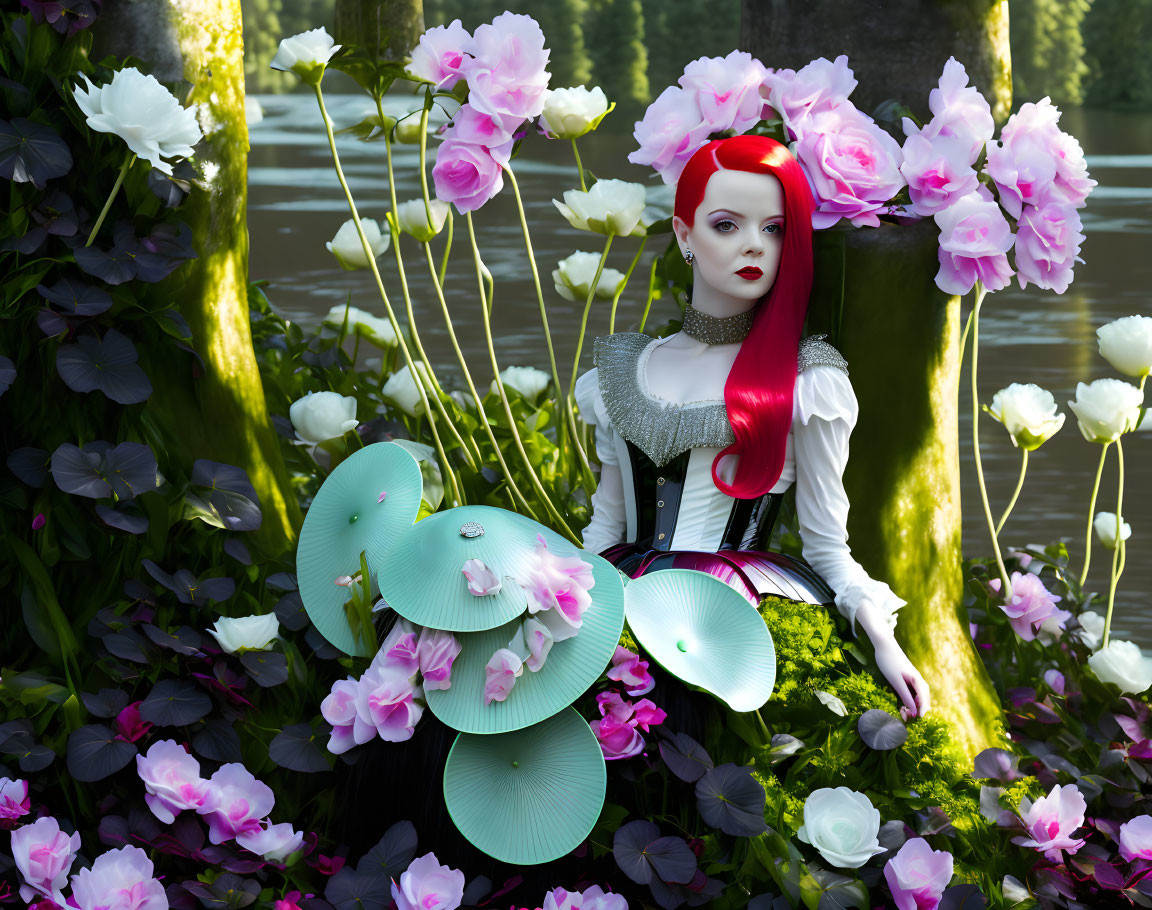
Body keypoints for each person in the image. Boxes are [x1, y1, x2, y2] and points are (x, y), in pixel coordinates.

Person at [575, 135, 931, 719]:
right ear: (685, 234)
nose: (754, 246)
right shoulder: (621, 370)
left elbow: (826, 544)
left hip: (738, 616)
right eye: (726, 224)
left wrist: (883, 639)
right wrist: (560, 604)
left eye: (774, 229)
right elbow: (607, 525)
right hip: (621, 604)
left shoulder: (806, 380)